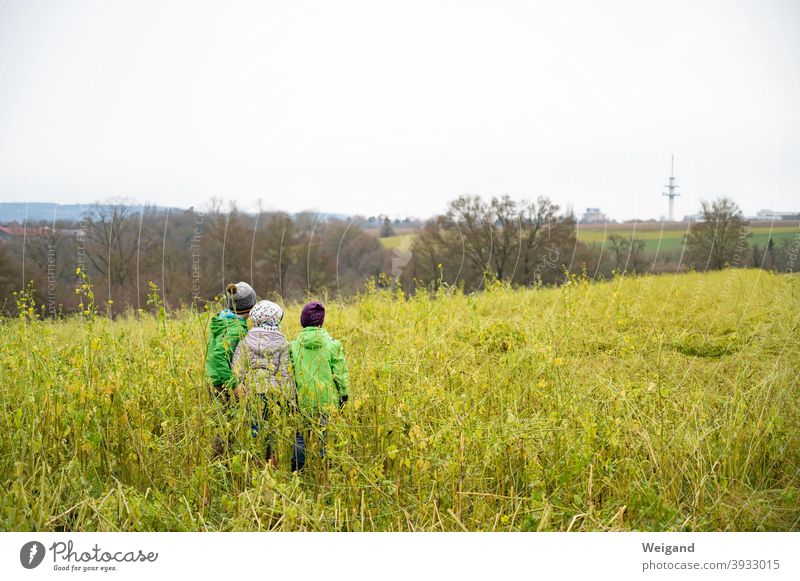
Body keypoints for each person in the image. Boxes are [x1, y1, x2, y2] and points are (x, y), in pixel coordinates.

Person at [231, 300, 296, 467]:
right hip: (274, 393)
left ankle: (255, 462)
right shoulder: (282, 343)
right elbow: (285, 373)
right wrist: (290, 399)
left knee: (254, 426)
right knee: (272, 428)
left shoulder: (245, 341)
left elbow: (236, 368)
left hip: (251, 391)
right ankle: (271, 462)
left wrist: (238, 387)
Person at [289, 301, 350, 471]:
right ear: (321, 322)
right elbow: (341, 374)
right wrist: (344, 396)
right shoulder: (333, 345)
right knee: (325, 438)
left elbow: (290, 374)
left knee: (300, 437)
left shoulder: (293, 346)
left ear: (302, 321)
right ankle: (326, 472)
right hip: (327, 402)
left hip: (303, 401)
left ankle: (297, 471)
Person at [205, 281, 256, 456]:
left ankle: (222, 465)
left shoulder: (224, 320)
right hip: (224, 386)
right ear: (251, 306)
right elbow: (218, 356)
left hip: (216, 381)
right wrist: (235, 385)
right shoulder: (235, 330)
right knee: (225, 432)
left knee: (223, 429)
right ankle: (220, 468)